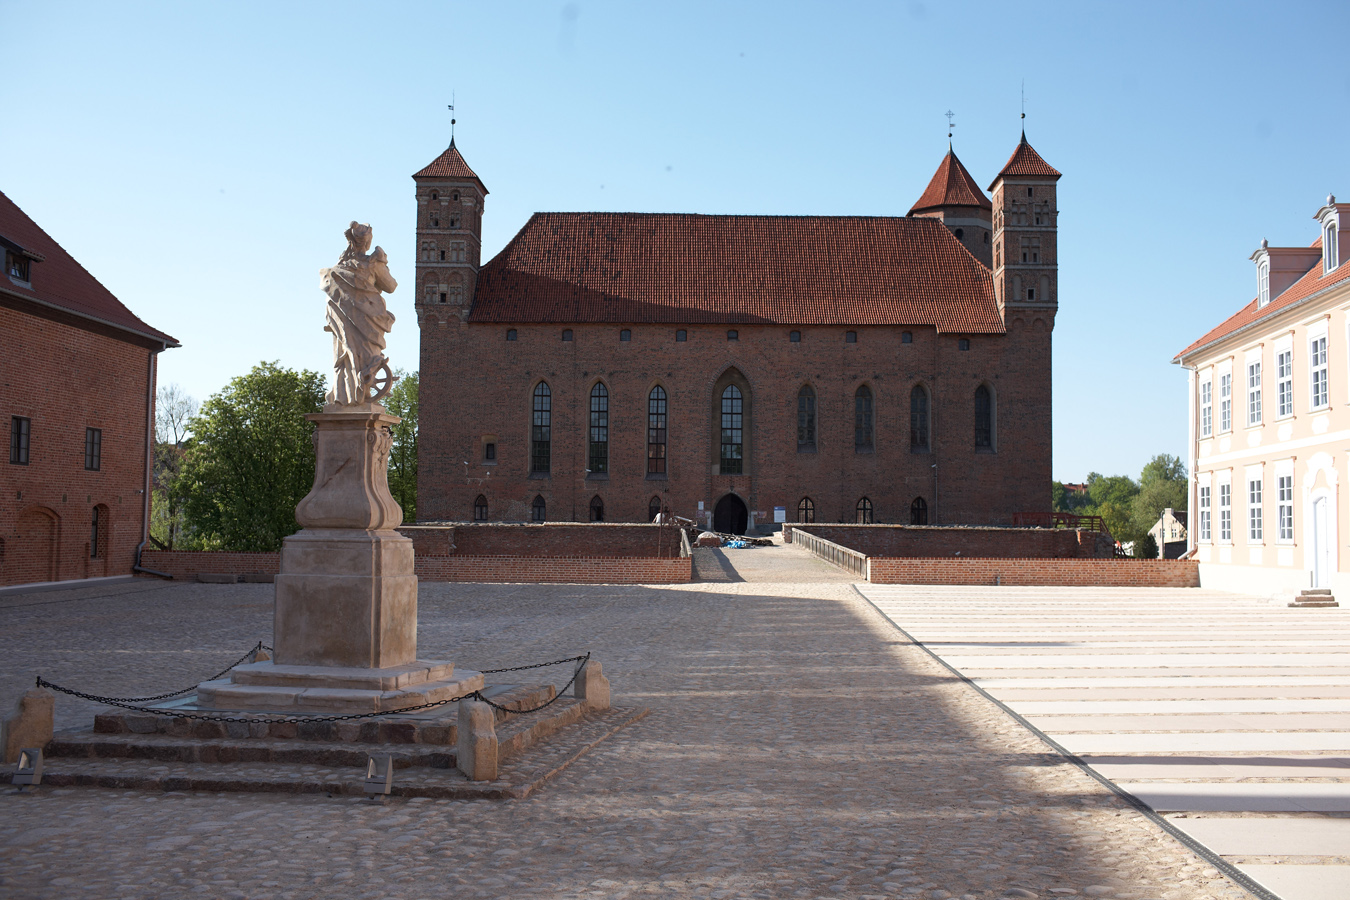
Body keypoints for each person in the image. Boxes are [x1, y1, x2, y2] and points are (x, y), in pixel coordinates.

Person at [320, 222, 398, 405]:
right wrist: (383, 262)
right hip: (368, 321)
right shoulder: (372, 264)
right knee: (367, 357)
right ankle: (361, 396)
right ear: (368, 241)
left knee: (345, 355)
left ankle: (343, 396)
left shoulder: (337, 269)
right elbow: (391, 286)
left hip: (343, 322)